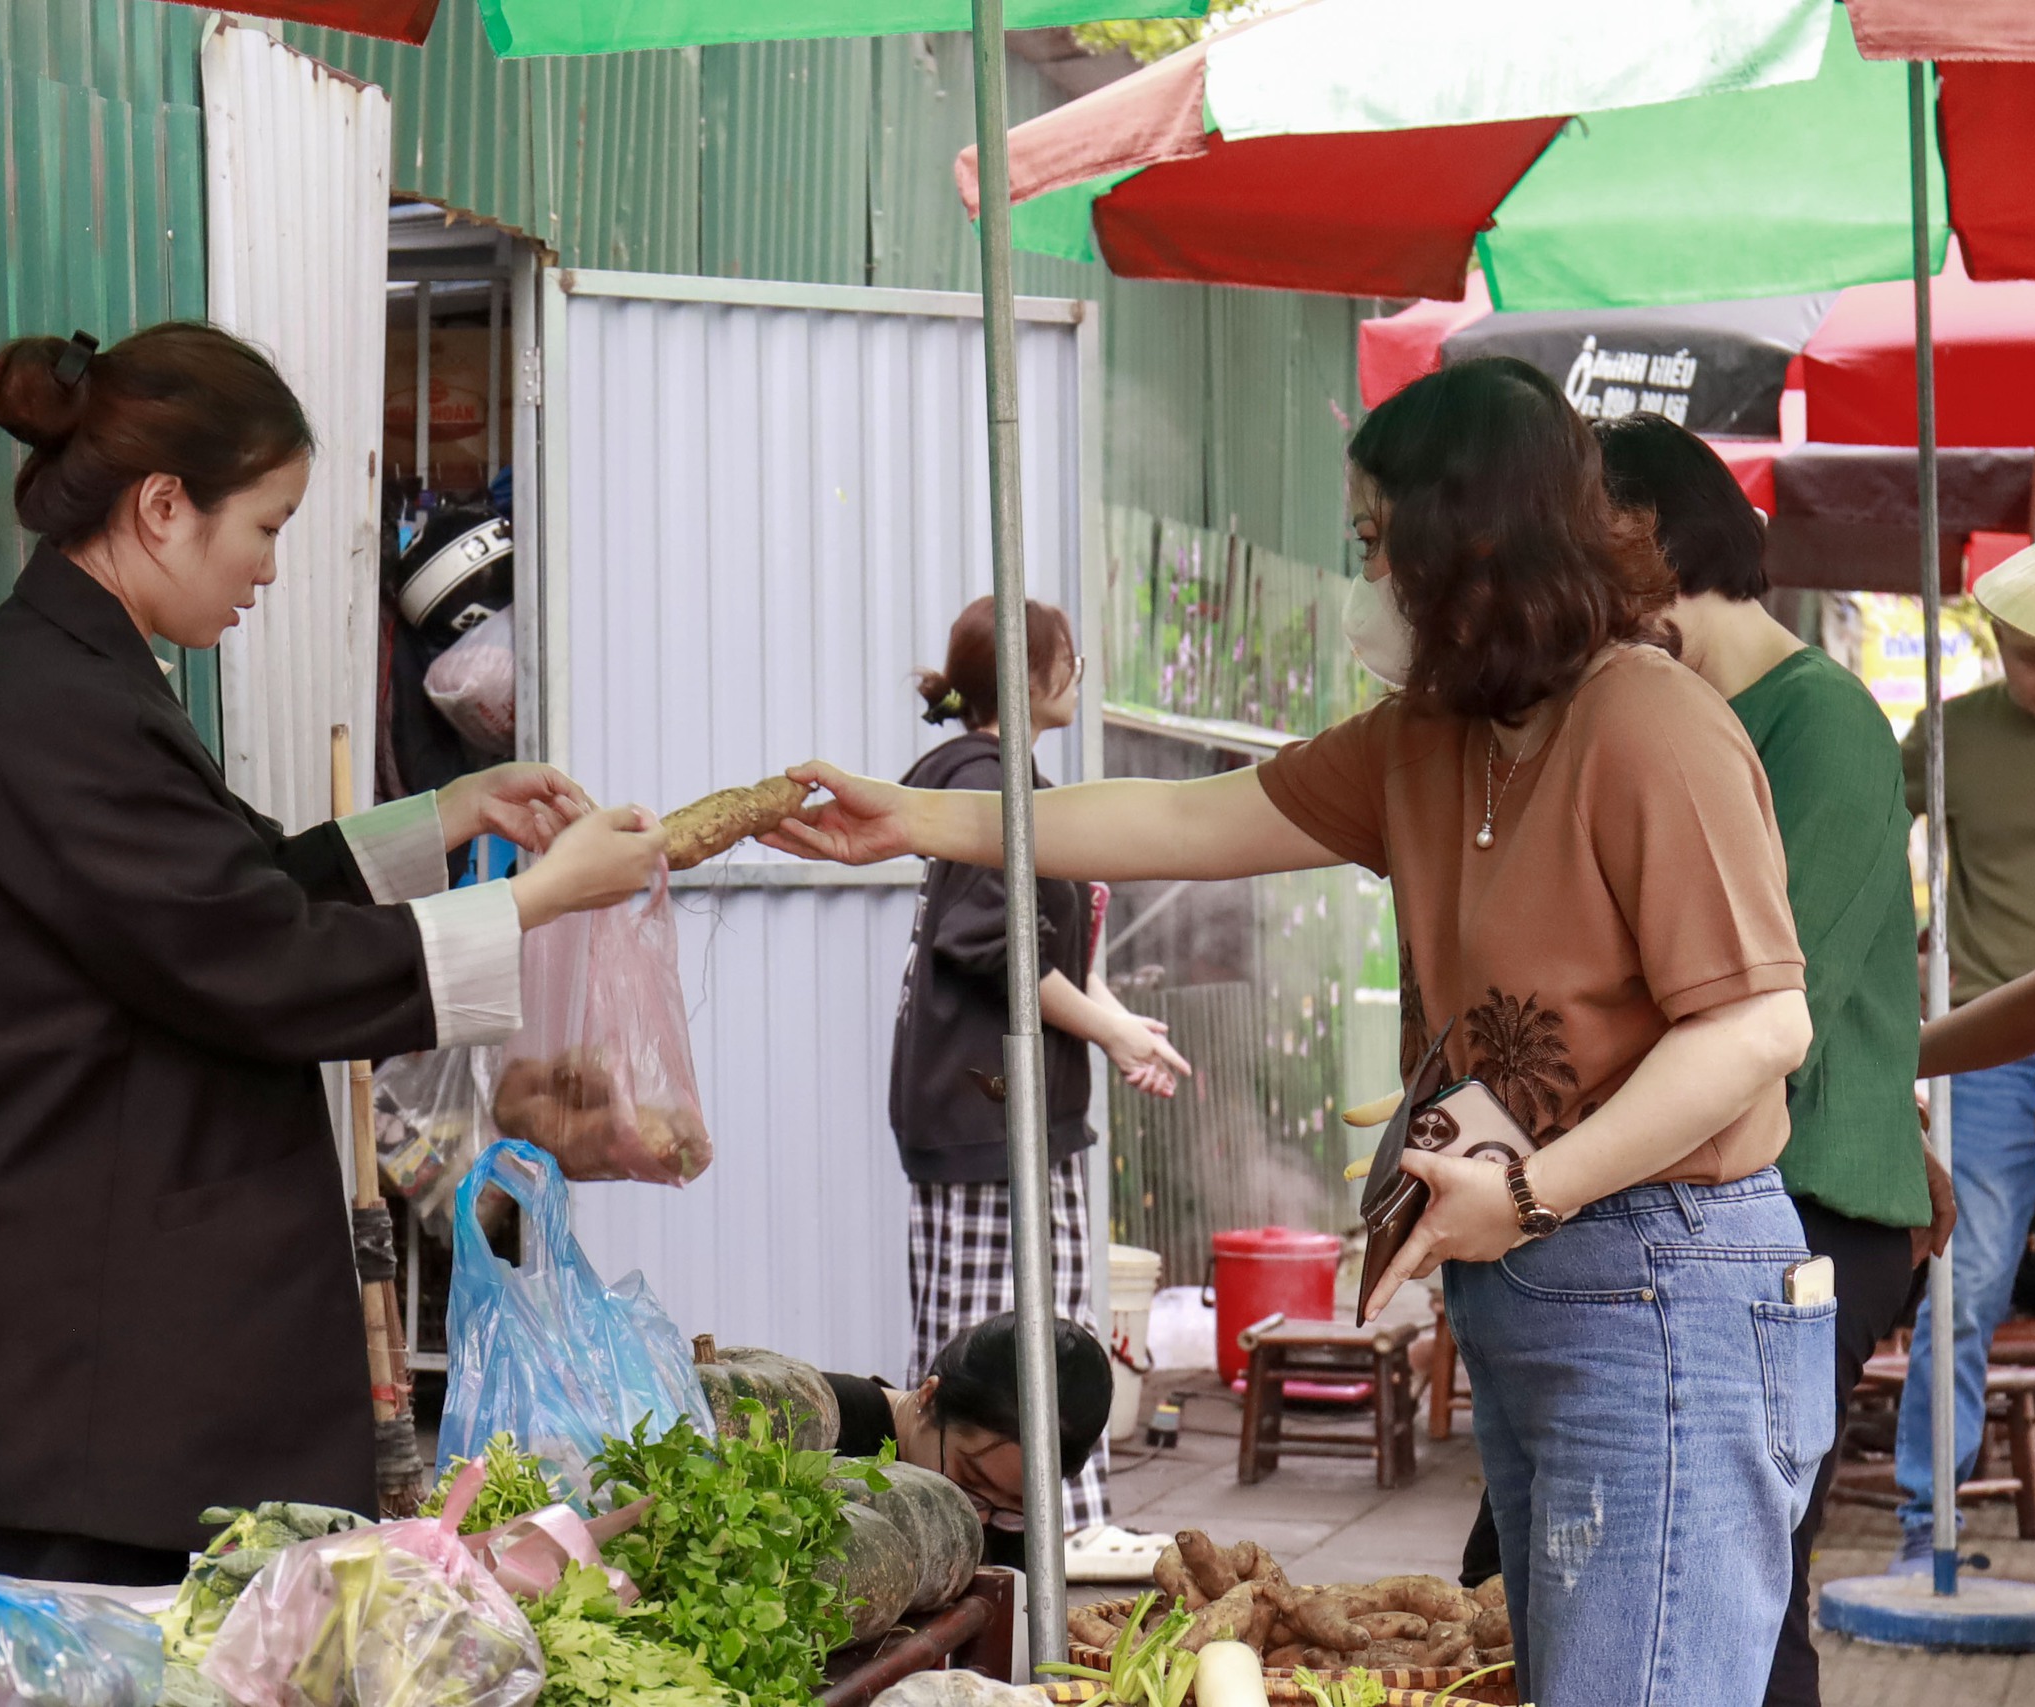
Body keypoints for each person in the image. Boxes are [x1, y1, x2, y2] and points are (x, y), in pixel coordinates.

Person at [772, 358, 1827, 1704]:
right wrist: (918, 817)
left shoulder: (1652, 723)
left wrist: (1530, 1184)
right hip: (1523, 1267)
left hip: (1665, 1275)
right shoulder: (1429, 737)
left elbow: (1756, 1023)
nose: (1368, 579)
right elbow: (1187, 823)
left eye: (1383, 545)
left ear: (1473, 544)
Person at [0, 323, 663, 1583]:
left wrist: (448, 816)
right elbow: (261, 961)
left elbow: (226, 895)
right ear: (165, 506)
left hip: (71, 1374)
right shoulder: (62, 708)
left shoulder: (81, 674)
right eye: (269, 525)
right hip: (65, 1384)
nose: (272, 569)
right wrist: (532, 903)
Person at [1451, 414, 1947, 1707]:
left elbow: (1772, 1015)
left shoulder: (1819, 720)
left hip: (1800, 1209)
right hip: (1668, 1207)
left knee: (1740, 1615)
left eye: (1567, 529)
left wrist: (1537, 1168)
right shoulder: (1655, 705)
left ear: (1644, 538)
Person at [892, 595, 1191, 1546]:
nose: (1081, 668)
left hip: (1003, 1115)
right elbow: (988, 944)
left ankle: (1045, 1552)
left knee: (1032, 1353)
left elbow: (1039, 944)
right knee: (1004, 1365)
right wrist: (1108, 1030)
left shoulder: (1001, 779)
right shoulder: (987, 783)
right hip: (990, 1123)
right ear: (1027, 675)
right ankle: (1002, 1560)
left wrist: (1109, 1014)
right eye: (1068, 656)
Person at [1891, 604, 2035, 1566]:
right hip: (1995, 1041)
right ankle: (1928, 1522)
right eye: (2031, 659)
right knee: (1965, 1278)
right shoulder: (1948, 734)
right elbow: (1862, 845)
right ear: (1996, 643)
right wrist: (1898, 978)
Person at [826, 1313, 1116, 1560]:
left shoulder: (1008, 1521)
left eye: (1015, 1507)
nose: (978, 1519)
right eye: (969, 1478)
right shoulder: (824, 1423)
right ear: (929, 1397)